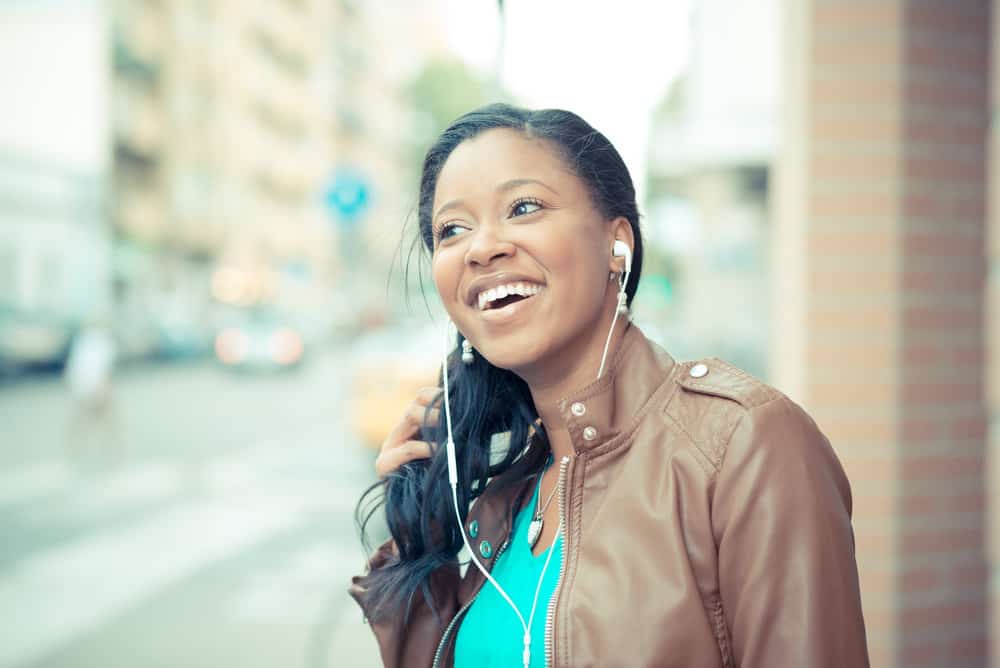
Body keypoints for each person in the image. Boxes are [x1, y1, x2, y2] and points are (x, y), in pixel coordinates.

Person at [350, 104, 869, 668]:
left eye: (523, 207)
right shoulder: (499, 504)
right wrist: (417, 537)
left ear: (616, 244)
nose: (481, 248)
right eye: (452, 229)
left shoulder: (742, 446)